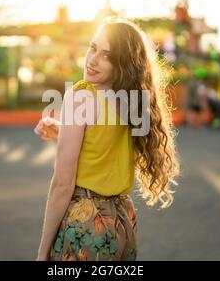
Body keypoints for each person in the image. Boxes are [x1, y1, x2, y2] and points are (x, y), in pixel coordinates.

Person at [34, 17, 180, 261]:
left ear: (121, 64)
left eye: (107, 56)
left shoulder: (80, 97)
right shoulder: (132, 101)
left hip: (86, 224)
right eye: (93, 48)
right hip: (122, 222)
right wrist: (64, 130)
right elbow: (105, 144)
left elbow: (62, 185)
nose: (92, 60)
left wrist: (42, 254)